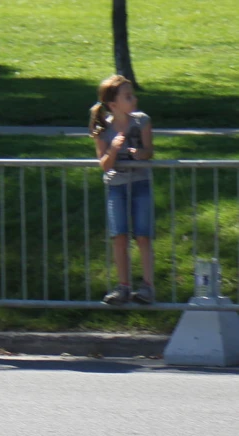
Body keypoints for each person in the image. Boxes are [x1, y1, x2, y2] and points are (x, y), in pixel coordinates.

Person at [89, 75, 155, 305]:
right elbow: (104, 164)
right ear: (113, 104)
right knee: (119, 236)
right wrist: (114, 149)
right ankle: (123, 286)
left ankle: (148, 286)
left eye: (133, 95)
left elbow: (149, 151)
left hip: (140, 183)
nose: (134, 100)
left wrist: (141, 154)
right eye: (128, 96)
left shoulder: (142, 122)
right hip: (116, 186)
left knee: (143, 235)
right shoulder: (102, 128)